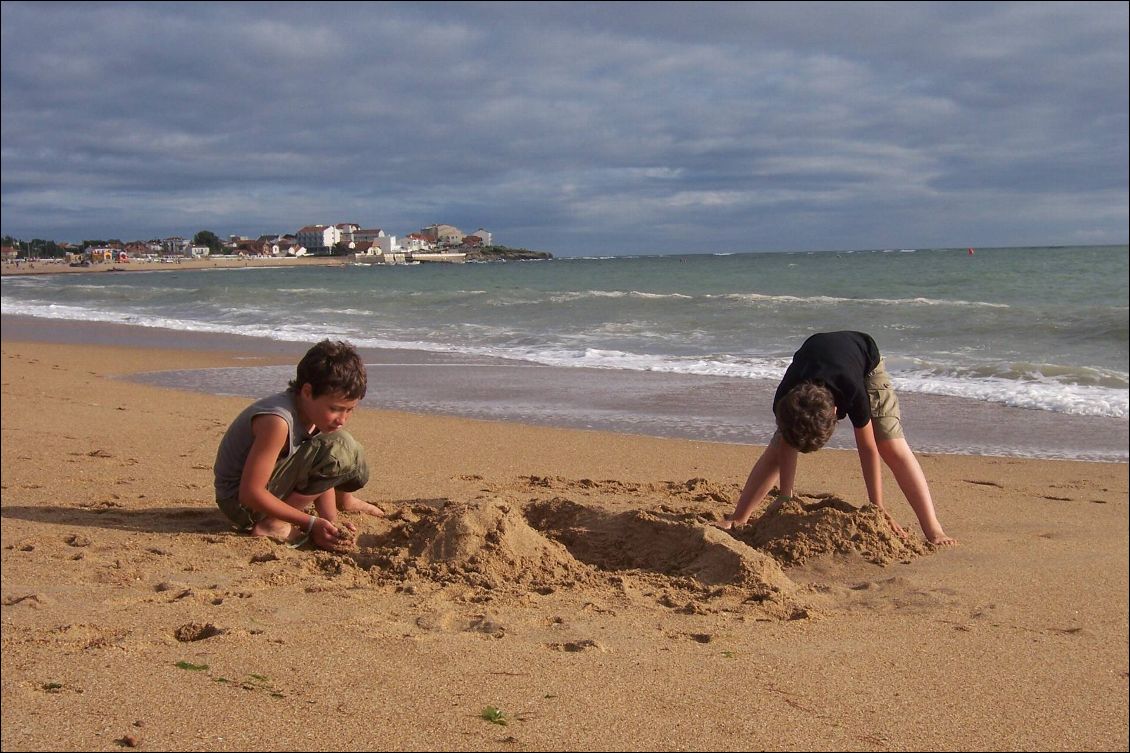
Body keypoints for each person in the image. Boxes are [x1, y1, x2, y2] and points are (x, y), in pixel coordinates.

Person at [714, 331, 956, 547]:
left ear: (835, 411)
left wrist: (876, 507)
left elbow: (868, 448)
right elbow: (787, 443)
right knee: (776, 448)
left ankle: (933, 529)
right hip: (814, 357)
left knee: (890, 445)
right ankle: (738, 517)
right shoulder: (784, 401)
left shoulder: (853, 392)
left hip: (866, 361)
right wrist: (785, 496)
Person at [213, 339, 384, 550]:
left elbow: (320, 467)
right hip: (241, 504)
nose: (342, 418)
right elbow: (249, 493)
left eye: (349, 410)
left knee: (352, 456)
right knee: (340, 448)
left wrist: (330, 521)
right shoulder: (277, 422)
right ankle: (272, 524)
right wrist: (310, 523)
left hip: (266, 488)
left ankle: (342, 502)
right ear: (307, 392)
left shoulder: (313, 413)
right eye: (336, 408)